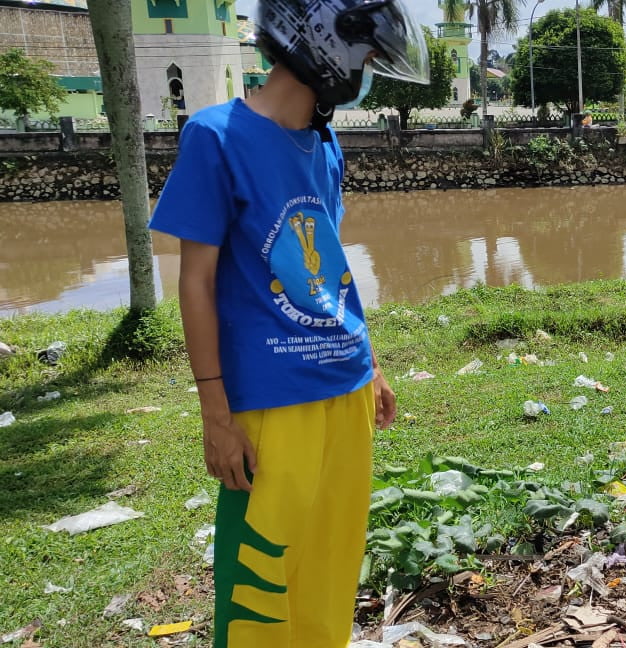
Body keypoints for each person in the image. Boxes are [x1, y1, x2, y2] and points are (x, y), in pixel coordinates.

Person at [148, 1, 428, 646]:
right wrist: (216, 414)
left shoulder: (324, 143)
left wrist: (373, 364)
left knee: (331, 562)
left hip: (346, 387)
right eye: (370, 55)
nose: (369, 71)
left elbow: (325, 268)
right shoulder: (215, 136)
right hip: (273, 399)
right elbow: (196, 280)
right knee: (262, 576)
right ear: (325, 44)